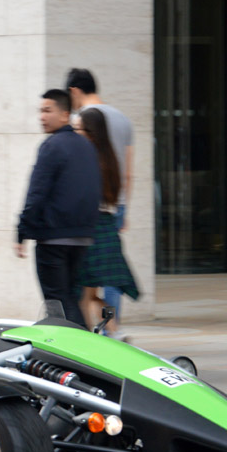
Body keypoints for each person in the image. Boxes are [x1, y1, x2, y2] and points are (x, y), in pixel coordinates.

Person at [15, 89, 102, 327]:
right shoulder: (86, 146)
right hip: (81, 237)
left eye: (47, 111)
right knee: (70, 297)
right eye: (40, 111)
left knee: (58, 301)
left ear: (65, 114)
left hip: (53, 237)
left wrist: (22, 231)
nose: (42, 117)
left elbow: (36, 192)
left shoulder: (52, 146)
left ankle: (78, 345)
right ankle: (82, 341)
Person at [65, 68, 134, 322]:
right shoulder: (123, 119)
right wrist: (123, 208)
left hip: (89, 215)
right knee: (109, 281)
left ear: (74, 91)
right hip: (114, 206)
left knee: (85, 288)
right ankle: (112, 327)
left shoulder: (81, 119)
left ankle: (103, 330)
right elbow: (129, 173)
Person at [74, 108, 140, 334]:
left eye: (78, 128)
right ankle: (115, 331)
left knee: (84, 296)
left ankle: (92, 340)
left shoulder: (87, 159)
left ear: (90, 132)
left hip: (90, 228)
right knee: (92, 294)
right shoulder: (109, 158)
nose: (75, 132)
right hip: (106, 225)